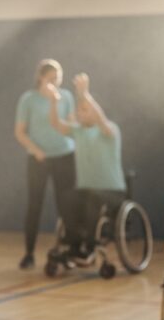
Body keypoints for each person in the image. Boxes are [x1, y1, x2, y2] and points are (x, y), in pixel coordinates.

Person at [48, 73, 126, 261]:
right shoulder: (78, 132)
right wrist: (53, 101)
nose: (80, 113)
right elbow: (56, 124)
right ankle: (75, 243)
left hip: (112, 191)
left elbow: (101, 119)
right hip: (86, 189)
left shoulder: (109, 131)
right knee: (66, 197)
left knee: (93, 199)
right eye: (79, 110)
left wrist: (84, 94)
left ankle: (89, 246)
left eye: (85, 109)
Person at [15, 58, 79, 269]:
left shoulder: (66, 96)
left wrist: (56, 102)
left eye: (58, 78)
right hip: (39, 160)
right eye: (52, 78)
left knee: (67, 205)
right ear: (41, 77)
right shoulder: (29, 99)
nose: (55, 82)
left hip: (64, 156)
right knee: (35, 205)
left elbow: (70, 125)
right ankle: (29, 253)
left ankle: (70, 252)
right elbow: (20, 132)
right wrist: (36, 151)